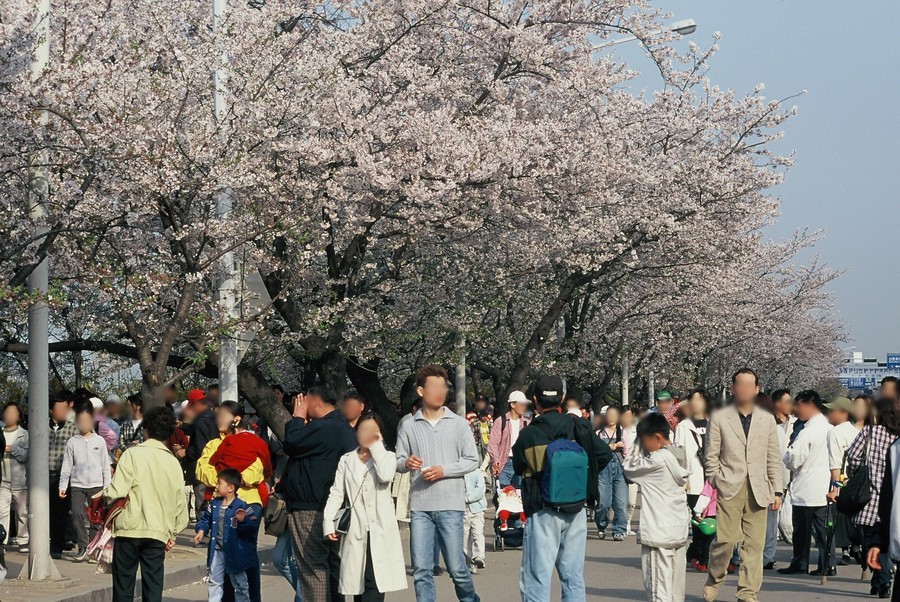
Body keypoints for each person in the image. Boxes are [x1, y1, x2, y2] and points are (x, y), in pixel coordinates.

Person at [512, 374, 612, 602]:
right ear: (563, 398)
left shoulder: (529, 434)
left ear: (535, 399)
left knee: (537, 578)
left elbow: (518, 467)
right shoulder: (579, 427)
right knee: (573, 577)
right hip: (576, 509)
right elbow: (605, 455)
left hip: (543, 510)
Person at [396, 364, 480, 602]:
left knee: (457, 569)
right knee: (422, 570)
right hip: (420, 506)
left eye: (444, 387)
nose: (441, 391)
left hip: (451, 505)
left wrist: (444, 470)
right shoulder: (409, 425)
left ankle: (470, 599)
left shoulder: (458, 424)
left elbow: (472, 460)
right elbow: (399, 460)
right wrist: (407, 462)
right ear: (421, 391)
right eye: (435, 387)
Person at [703, 368, 783, 602]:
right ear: (733, 388)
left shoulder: (767, 419)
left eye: (750, 385)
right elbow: (711, 455)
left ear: (757, 389)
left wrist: (777, 490)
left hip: (759, 489)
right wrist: (715, 478)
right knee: (726, 540)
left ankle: (747, 593)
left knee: (754, 547)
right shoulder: (720, 417)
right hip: (729, 485)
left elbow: (772, 457)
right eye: (741, 385)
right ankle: (714, 577)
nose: (745, 390)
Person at [283, 384, 357, 602]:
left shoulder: (326, 427)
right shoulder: (342, 427)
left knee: (312, 566)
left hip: (311, 505)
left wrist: (297, 418)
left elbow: (292, 443)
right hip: (332, 506)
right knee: (331, 564)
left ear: (315, 401)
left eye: (305, 401)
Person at [107, 406, 189, 602]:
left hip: (129, 528)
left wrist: (101, 497)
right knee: (153, 585)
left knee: (123, 585)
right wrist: (174, 531)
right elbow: (180, 502)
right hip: (158, 530)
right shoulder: (173, 462)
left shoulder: (132, 455)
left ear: (146, 429)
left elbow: (116, 491)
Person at [323, 413, 407, 601]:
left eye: (372, 431)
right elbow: (337, 492)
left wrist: (376, 447)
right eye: (363, 430)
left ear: (380, 434)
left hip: (380, 530)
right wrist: (328, 523)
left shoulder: (388, 457)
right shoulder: (346, 459)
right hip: (355, 528)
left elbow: (385, 476)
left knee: (374, 582)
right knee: (357, 585)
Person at [623, 413, 691, 602]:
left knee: (658, 593)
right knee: (675, 593)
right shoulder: (679, 454)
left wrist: (636, 443)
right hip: (677, 530)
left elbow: (628, 468)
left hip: (658, 533)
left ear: (657, 438)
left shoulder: (656, 460)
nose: (644, 445)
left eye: (645, 440)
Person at [778, 390, 835, 577]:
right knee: (823, 529)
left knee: (802, 530)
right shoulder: (828, 428)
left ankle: (800, 562)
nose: (797, 409)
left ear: (810, 405)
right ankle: (827, 563)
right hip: (824, 485)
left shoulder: (808, 431)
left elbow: (794, 458)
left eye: (799, 406)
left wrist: (786, 456)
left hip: (806, 487)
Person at [849, 397, 900, 598]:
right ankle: (883, 579)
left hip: (870, 495)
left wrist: (856, 473)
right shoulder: (895, 441)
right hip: (888, 501)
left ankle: (881, 578)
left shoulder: (871, 432)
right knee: (881, 539)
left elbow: (853, 455)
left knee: (872, 538)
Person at [193, 469, 259, 602]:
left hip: (235, 553)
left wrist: (243, 520)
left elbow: (253, 525)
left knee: (240, 583)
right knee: (214, 581)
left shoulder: (242, 506)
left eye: (219, 483)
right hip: (217, 551)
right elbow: (205, 520)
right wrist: (201, 531)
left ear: (231, 488)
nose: (216, 486)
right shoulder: (214, 504)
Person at [59, 401, 112, 561]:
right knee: (76, 514)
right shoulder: (72, 442)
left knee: (96, 518)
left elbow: (105, 465)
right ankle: (83, 546)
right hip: (77, 485)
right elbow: (67, 466)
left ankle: (93, 548)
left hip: (96, 485)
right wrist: (63, 485)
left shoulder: (99, 441)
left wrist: (107, 486)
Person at [674, 389, 711, 570]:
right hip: (693, 480)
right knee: (698, 519)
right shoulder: (683, 426)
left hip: (712, 480)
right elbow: (679, 455)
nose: (697, 403)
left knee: (711, 518)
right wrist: (682, 478)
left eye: (700, 400)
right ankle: (698, 554)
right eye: (693, 400)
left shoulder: (714, 423)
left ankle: (700, 554)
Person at [824, 396, 863, 566]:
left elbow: (836, 464)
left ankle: (840, 555)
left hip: (842, 481)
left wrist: (835, 488)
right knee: (856, 519)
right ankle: (856, 547)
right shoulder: (859, 432)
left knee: (838, 520)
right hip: (859, 483)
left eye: (832, 410)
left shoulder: (835, 432)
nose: (828, 414)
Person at [755, 394, 788, 571]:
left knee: (764, 520)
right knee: (769, 522)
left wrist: (779, 488)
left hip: (766, 482)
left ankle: (761, 556)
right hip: (768, 482)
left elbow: (779, 459)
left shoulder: (775, 430)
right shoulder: (778, 430)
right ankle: (766, 556)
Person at [49, 392, 79, 560]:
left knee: (60, 513)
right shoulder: (40, 426)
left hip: (63, 477)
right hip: (43, 476)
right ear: (51, 411)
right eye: (60, 408)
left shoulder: (72, 428)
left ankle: (56, 547)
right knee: (45, 512)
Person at [595, 404, 628, 541]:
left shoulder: (623, 431)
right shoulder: (598, 433)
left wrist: (624, 447)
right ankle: (601, 525)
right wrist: (611, 446)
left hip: (620, 469)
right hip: (603, 470)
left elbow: (629, 451)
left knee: (620, 503)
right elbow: (595, 451)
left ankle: (619, 529)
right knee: (603, 502)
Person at [185, 391, 219, 518]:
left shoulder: (201, 421)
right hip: (213, 467)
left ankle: (203, 533)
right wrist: (183, 426)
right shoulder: (213, 417)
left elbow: (200, 448)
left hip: (201, 469)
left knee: (202, 503)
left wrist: (186, 452)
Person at [487, 391, 531, 489]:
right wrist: (496, 460)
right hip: (504, 464)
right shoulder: (501, 421)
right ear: (513, 404)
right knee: (503, 495)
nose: (524, 407)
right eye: (522, 404)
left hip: (520, 463)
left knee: (519, 495)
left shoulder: (527, 423)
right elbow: (493, 443)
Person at [0, 402, 28, 553]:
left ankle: (23, 540)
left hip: (20, 479)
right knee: (2, 511)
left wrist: (14, 449)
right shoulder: (0, 432)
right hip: (2, 479)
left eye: (13, 412)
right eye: (8, 412)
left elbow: (26, 456)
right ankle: (2, 541)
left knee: (22, 511)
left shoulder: (24, 434)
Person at [463, 468, 487, 573]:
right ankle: (469, 562)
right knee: (464, 539)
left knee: (478, 535)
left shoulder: (477, 473)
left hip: (477, 510)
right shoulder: (458, 474)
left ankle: (479, 557)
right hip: (462, 512)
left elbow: (480, 490)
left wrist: (466, 498)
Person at [620, 406, 639, 537]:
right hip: (619, 466)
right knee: (620, 500)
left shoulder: (637, 431)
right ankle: (620, 524)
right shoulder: (616, 430)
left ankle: (627, 522)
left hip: (633, 467)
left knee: (632, 501)